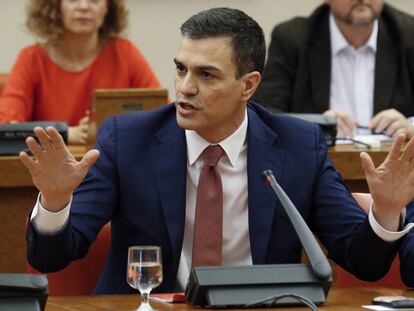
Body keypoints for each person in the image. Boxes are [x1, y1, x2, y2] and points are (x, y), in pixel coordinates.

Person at [22, 7, 414, 295]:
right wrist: (55, 203)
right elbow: (53, 257)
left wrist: (387, 210)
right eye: (180, 69)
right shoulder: (129, 140)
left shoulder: (298, 146)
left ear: (249, 85)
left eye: (205, 74)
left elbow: (363, 261)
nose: (185, 88)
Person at [0, 0, 161, 144]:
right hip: (50, 171)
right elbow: (7, 127)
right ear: (56, 6)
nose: (84, 6)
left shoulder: (125, 54)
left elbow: (162, 112)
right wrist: (67, 133)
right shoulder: (31, 59)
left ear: (108, 7)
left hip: (112, 168)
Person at [253, 0, 414, 139]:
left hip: (396, 167)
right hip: (319, 168)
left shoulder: (408, 34)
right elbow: (263, 112)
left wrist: (410, 127)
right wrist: (318, 124)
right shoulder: (293, 39)